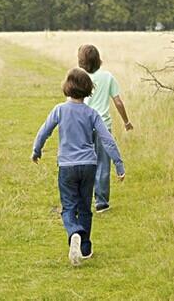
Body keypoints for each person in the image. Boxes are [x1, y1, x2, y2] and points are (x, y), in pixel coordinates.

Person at [32, 68, 125, 266]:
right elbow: (107, 139)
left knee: (68, 207)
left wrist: (36, 150)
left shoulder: (59, 110)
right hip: (89, 165)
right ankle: (85, 247)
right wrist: (118, 163)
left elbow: (44, 131)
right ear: (88, 90)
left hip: (67, 166)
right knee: (85, 207)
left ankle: (74, 231)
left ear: (67, 88)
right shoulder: (92, 113)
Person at [78, 44, 133, 213]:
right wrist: (126, 121)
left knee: (84, 162)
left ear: (81, 62)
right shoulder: (108, 77)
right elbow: (118, 102)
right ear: (98, 60)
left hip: (83, 126)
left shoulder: (79, 77)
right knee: (102, 163)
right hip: (104, 127)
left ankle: (82, 199)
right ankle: (101, 202)